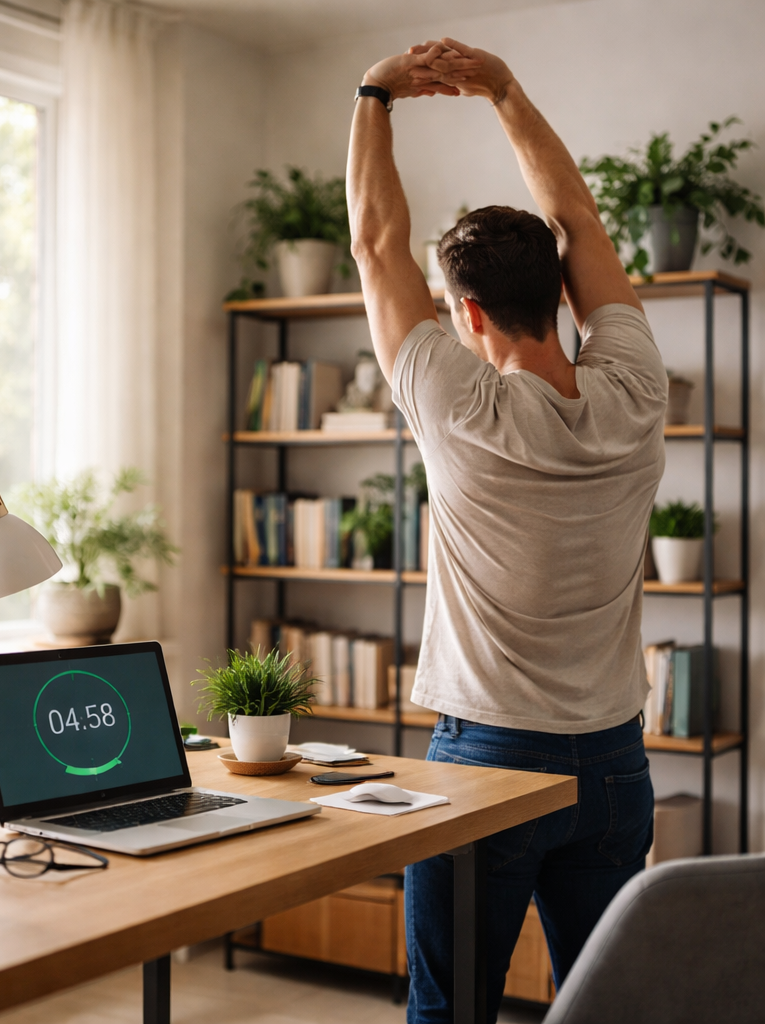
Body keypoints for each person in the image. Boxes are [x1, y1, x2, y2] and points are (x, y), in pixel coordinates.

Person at [346, 39, 666, 1023]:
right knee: (608, 1010)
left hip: (487, 759)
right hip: (613, 764)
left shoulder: (460, 408)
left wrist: (375, 96)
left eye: (452, 311)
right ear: (558, 296)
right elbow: (577, 219)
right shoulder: (635, 388)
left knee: (452, 1014)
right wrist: (502, 89)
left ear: (471, 314)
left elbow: (372, 245)